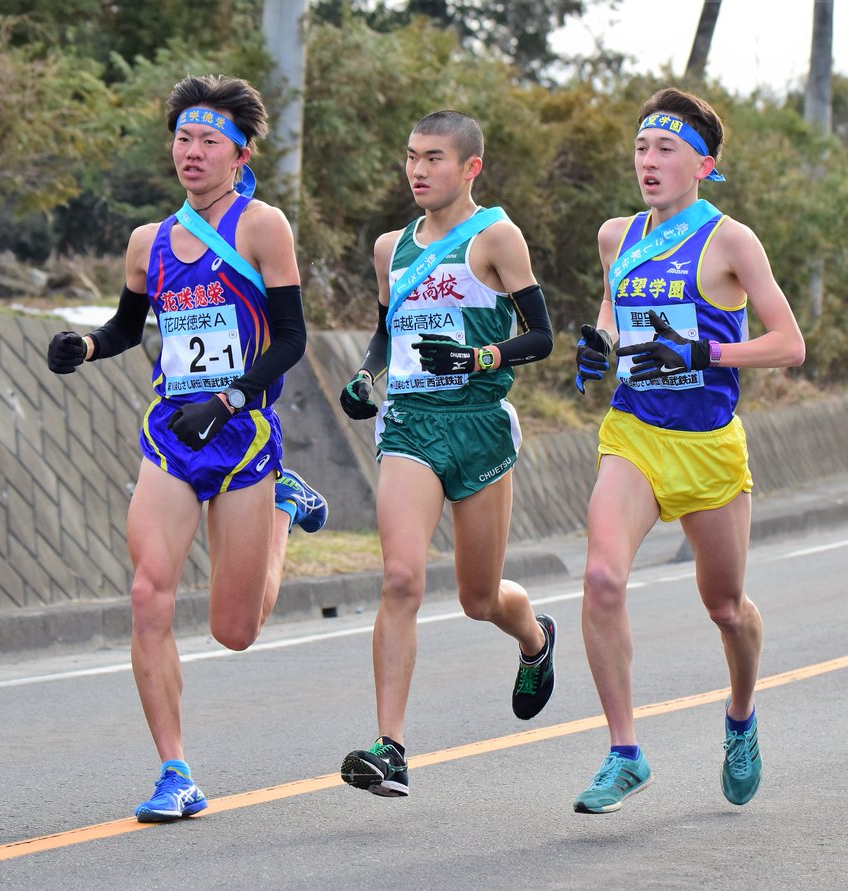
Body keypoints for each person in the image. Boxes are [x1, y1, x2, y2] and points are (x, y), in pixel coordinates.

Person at [46, 74, 328, 823]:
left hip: (239, 433)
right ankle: (176, 772)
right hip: (172, 436)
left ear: (239, 155)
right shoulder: (148, 243)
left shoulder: (261, 227)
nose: (192, 152)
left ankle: (281, 511)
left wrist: (230, 398)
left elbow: (293, 339)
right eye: (183, 138)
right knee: (148, 595)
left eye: (209, 140)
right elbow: (127, 327)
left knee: (234, 632)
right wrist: (84, 345)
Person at [571, 87, 805, 813]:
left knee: (727, 607)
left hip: (707, 447)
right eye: (641, 147)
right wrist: (599, 343)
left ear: (703, 163)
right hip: (635, 432)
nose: (648, 160)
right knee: (603, 579)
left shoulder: (731, 240)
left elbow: (788, 345)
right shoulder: (617, 235)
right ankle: (624, 752)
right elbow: (615, 309)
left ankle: (740, 717)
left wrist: (704, 350)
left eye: (665, 148)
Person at [336, 110, 557, 798]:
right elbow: (386, 333)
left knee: (478, 597)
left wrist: (479, 354)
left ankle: (535, 641)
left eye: (433, 157)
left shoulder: (496, 237)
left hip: (480, 426)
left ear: (470, 168)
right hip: (410, 425)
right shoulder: (388, 249)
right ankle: (391, 747)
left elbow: (542, 336)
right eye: (410, 156)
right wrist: (364, 375)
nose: (417, 169)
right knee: (401, 578)